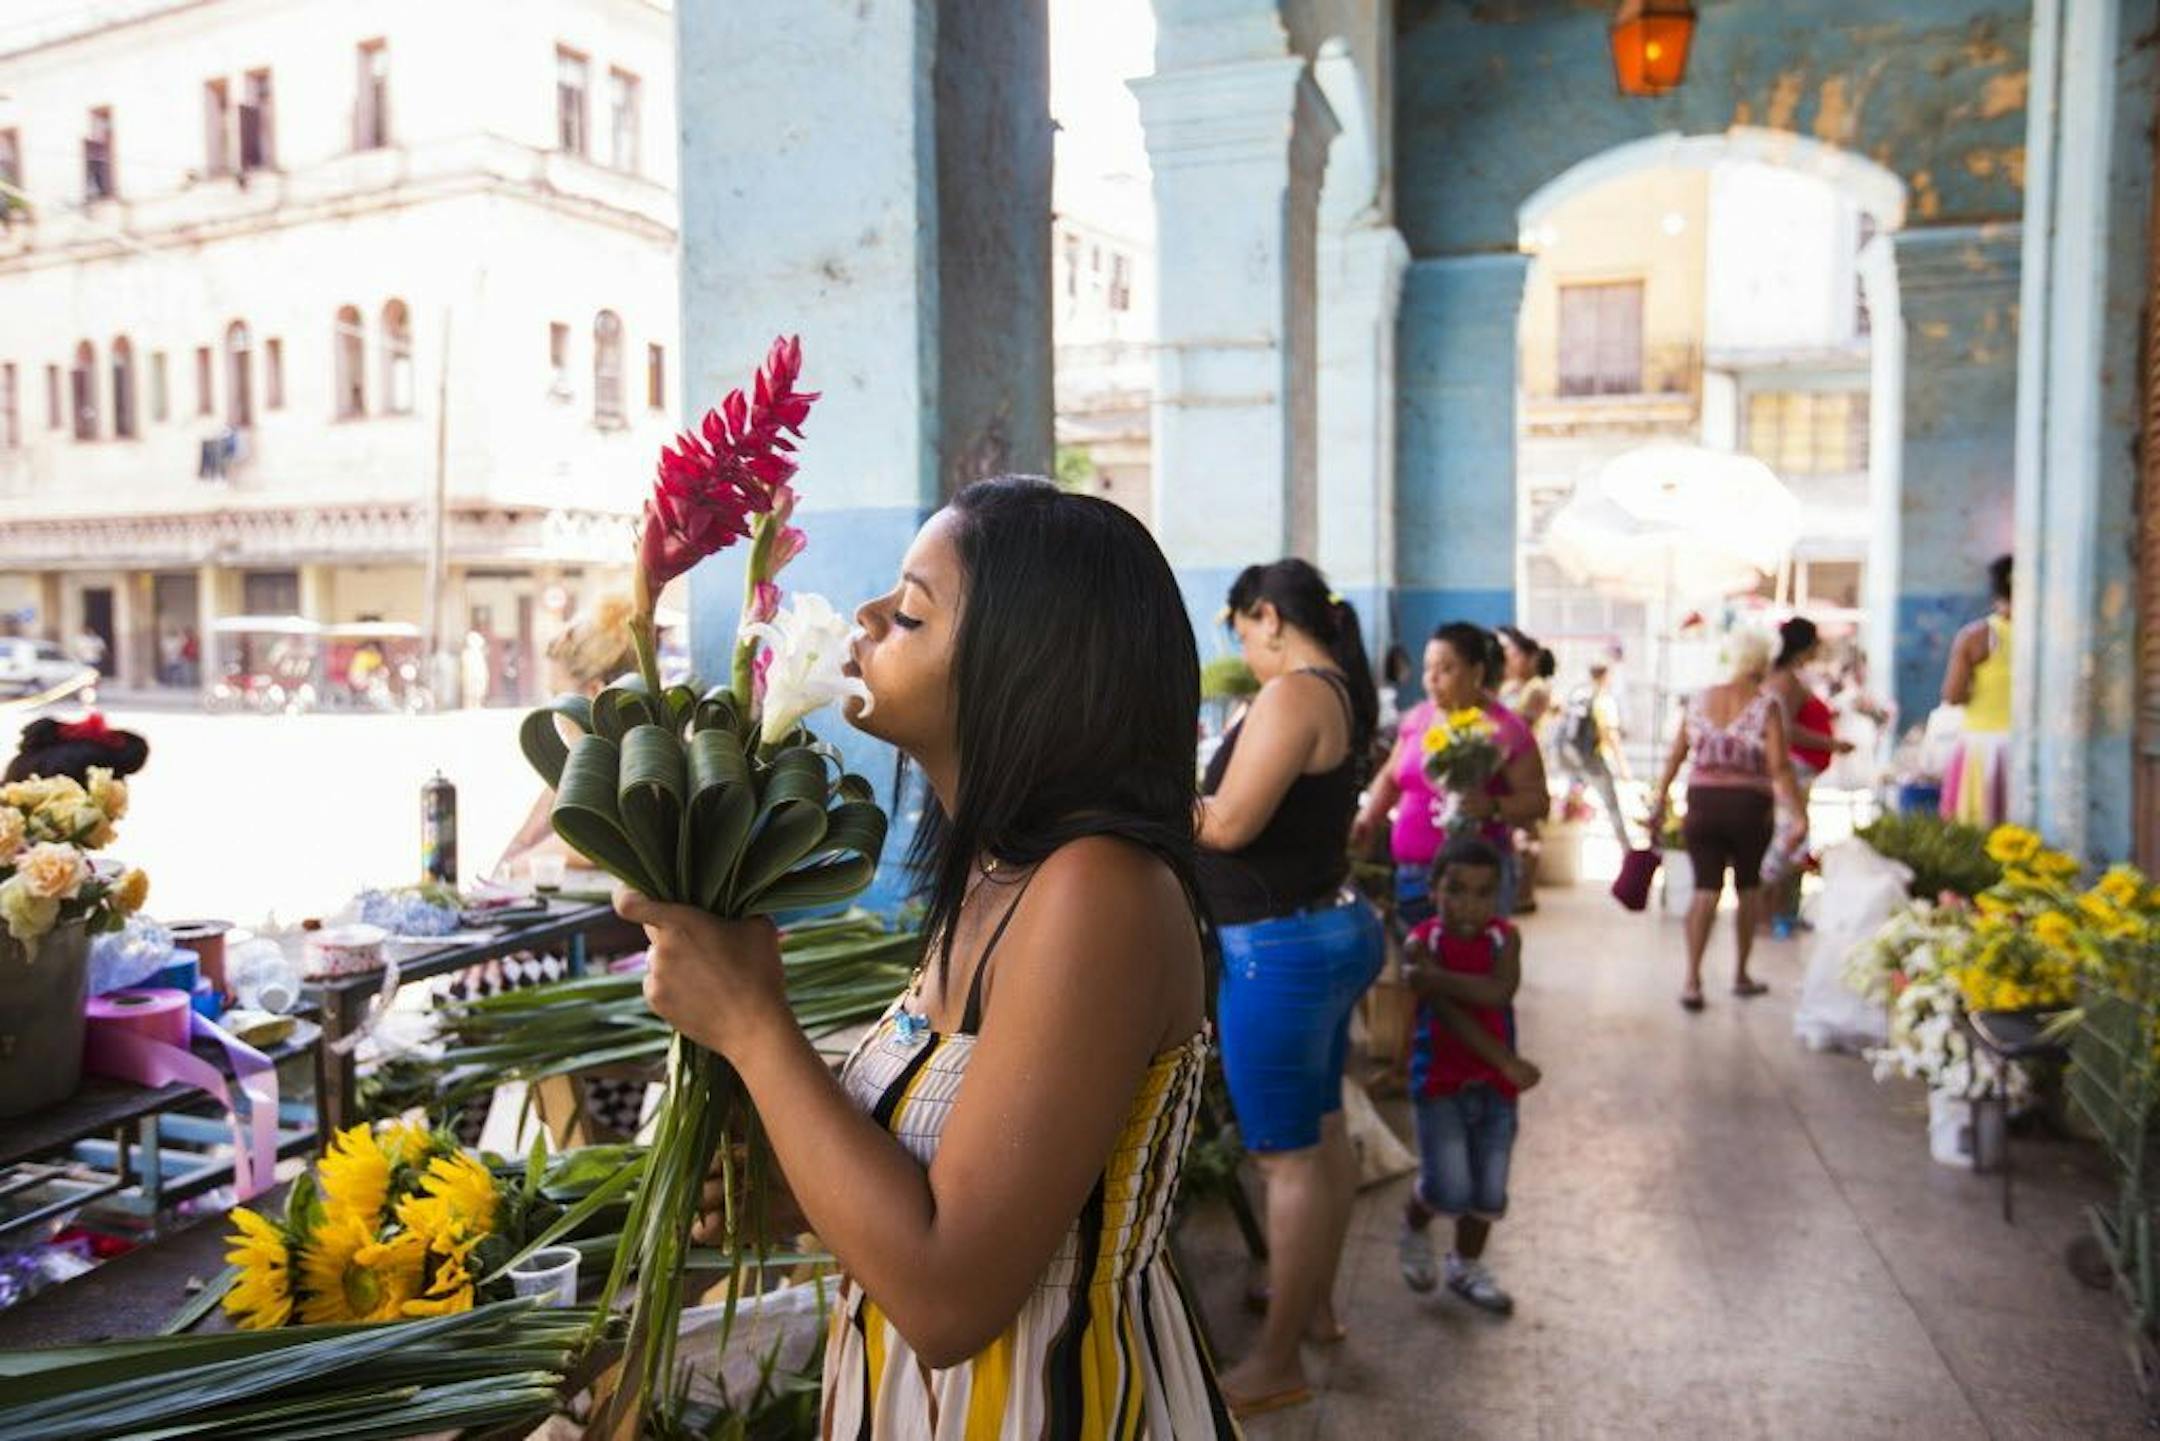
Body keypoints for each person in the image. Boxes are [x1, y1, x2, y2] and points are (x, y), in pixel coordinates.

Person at [621, 478, 1237, 1436]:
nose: (867, 615)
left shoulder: (1098, 892)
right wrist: (806, 1193)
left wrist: (751, 1021)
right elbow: (960, 1185)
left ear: (1027, 670)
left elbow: (950, 1296)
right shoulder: (1000, 876)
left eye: (910, 611)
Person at [1194, 557, 1383, 1415]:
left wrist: (1142, 784)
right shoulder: (1336, 687)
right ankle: (1315, 1304)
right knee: (1324, 1127)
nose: (1246, 648)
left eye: (1241, 630)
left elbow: (1227, 824)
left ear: (1266, 615)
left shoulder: (1295, 692)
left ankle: (1275, 1361)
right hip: (1327, 929)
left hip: (1279, 948)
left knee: (1286, 1156)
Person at [1399, 836, 1539, 1314]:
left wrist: (1432, 977)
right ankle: (1415, 1222)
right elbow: (1449, 1011)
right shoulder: (1423, 941)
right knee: (1449, 1188)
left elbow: (1498, 992)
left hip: (1497, 1089)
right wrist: (1504, 1059)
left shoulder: (1505, 937)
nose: (1469, 905)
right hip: (1439, 1081)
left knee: (1488, 1190)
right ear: (1432, 889)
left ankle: (1465, 1265)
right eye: (1456, 890)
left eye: (1484, 893)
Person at [1647, 629, 1807, 1011]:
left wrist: (1659, 800)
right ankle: (1740, 974)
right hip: (1748, 808)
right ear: (1762, 661)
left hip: (1701, 804)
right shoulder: (1765, 705)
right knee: (1747, 888)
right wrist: (1797, 813)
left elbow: (1675, 755)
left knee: (1705, 890)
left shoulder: (1699, 699)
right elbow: (1779, 766)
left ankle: (1692, 980)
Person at [1353, 623, 1548, 924]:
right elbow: (1392, 778)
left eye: (1446, 668)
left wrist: (1492, 807)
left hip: (1475, 884)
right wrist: (1367, 819)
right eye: (1428, 667)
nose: (1432, 678)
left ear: (1476, 672)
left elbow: (1537, 802)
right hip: (1413, 876)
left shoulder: (1505, 729)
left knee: (1469, 965)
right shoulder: (1418, 718)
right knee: (1417, 959)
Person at [1761, 617, 1852, 931]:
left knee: (1793, 840)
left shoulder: (1791, 678)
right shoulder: (1784, 680)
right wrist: (1830, 742)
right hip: (1791, 771)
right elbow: (1783, 731)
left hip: (1801, 771)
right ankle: (1771, 913)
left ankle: (1782, 911)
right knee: (1790, 839)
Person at [1940, 554, 2014, 827]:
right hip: (2027, 746)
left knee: (1978, 825)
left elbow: (1952, 695)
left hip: (1984, 747)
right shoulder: (2043, 634)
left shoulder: (1976, 636)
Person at [1496, 628, 1555, 911]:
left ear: (1530, 657)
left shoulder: (1536, 689)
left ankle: (1525, 893)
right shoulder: (1508, 687)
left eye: (1514, 653)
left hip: (1525, 760)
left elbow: (1520, 724)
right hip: (1505, 761)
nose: (1509, 659)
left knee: (1527, 827)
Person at [1556, 662, 1633, 850]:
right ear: (1605, 676)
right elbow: (1610, 734)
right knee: (1611, 804)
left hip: (1573, 758)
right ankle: (1627, 850)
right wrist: (1623, 765)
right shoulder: (1602, 700)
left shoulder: (1579, 694)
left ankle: (1561, 848)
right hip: (1593, 760)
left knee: (1570, 803)